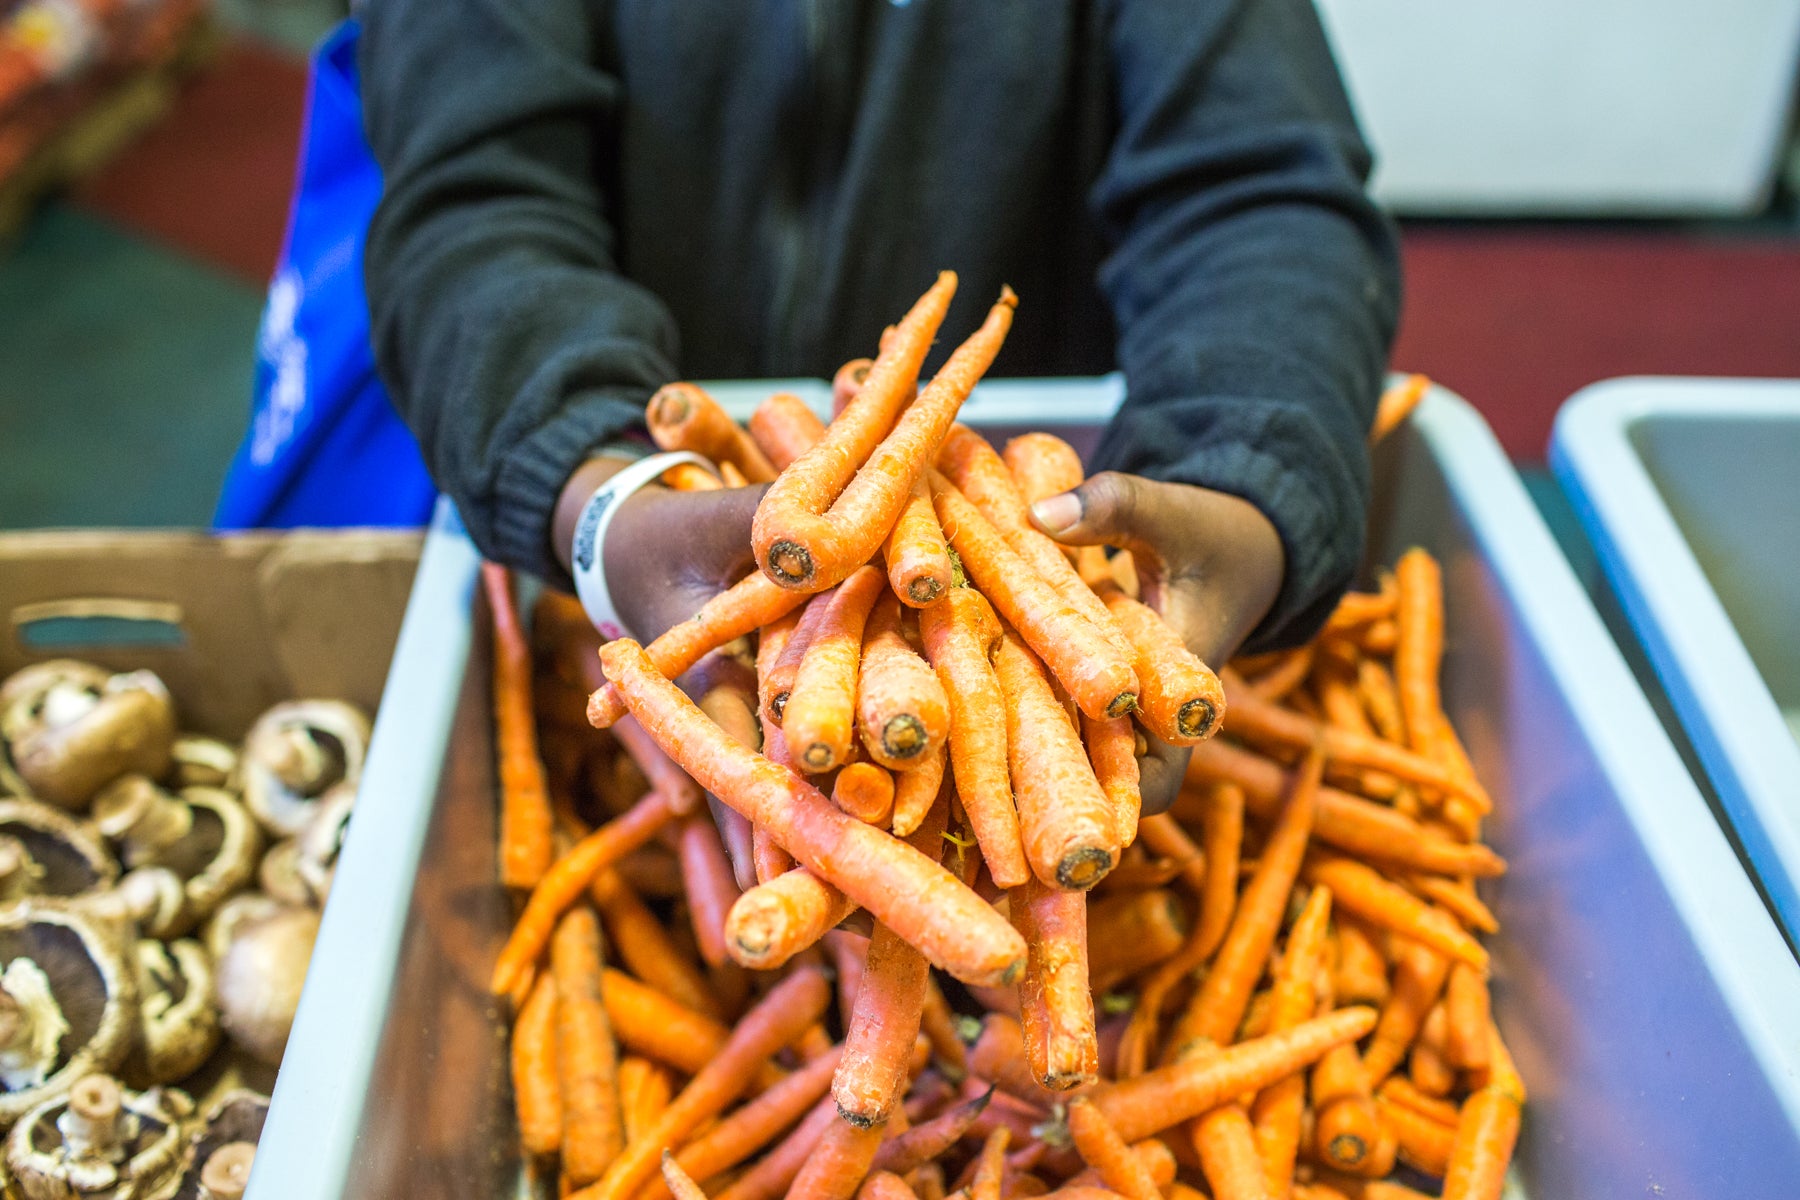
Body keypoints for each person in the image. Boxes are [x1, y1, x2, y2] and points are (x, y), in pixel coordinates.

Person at [358, 0, 1401, 809]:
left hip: (1041, 516)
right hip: (646, 489)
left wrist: (1245, 472)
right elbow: (476, 199)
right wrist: (595, 492)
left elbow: (1259, 191)